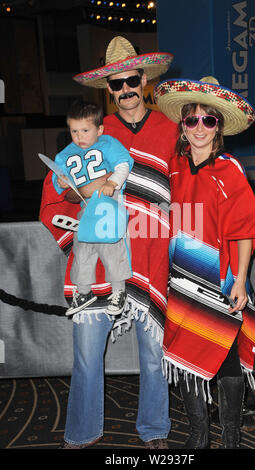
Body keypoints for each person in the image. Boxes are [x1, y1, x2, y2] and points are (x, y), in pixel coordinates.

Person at [39, 36, 178, 449]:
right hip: (100, 262)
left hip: (152, 258)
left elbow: (188, 193)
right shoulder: (91, 135)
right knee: (85, 355)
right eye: (115, 85)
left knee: (153, 357)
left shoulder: (171, 131)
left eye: (132, 81)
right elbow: (53, 198)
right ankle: (81, 433)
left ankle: (155, 430)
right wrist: (77, 212)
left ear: (144, 80)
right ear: (108, 90)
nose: (125, 91)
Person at [154, 76, 255, 449]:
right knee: (186, 357)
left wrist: (240, 280)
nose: (200, 128)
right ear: (183, 126)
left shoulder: (229, 169)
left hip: (223, 278)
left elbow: (246, 230)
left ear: (218, 126)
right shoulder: (172, 165)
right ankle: (198, 437)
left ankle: (232, 439)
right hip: (182, 281)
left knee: (226, 358)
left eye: (209, 120)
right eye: (192, 120)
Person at [52, 100, 133, 317]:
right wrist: (62, 181)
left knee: (111, 246)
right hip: (85, 206)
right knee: (82, 248)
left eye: (85, 130)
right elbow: (59, 177)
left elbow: (124, 164)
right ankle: (84, 291)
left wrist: (112, 183)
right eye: (74, 131)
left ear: (99, 129)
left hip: (107, 201)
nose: (79, 136)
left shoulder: (107, 143)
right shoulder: (67, 153)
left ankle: (119, 291)